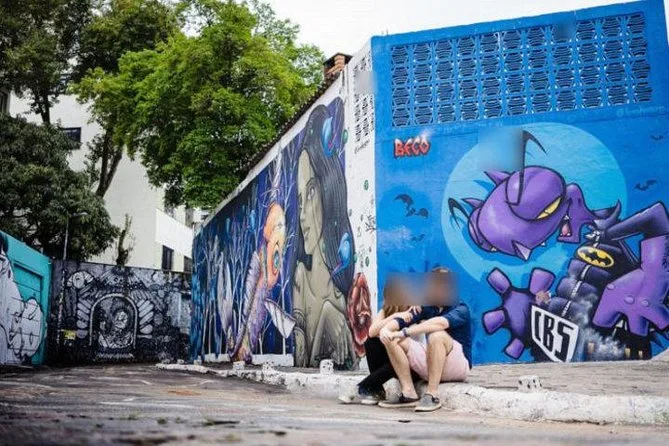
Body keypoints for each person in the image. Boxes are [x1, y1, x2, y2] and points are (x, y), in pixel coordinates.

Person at [378, 268, 472, 412]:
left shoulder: (461, 308)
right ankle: (409, 392)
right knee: (392, 339)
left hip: (458, 366)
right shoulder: (426, 307)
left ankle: (432, 394)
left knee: (436, 334)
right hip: (432, 361)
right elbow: (401, 321)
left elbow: (439, 323)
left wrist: (404, 332)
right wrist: (386, 330)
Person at [338, 277, 421, 405]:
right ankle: (377, 390)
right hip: (395, 362)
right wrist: (394, 316)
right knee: (371, 342)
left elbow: (411, 339)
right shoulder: (386, 311)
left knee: (394, 361)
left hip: (413, 366)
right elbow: (371, 332)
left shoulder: (414, 311)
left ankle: (359, 388)